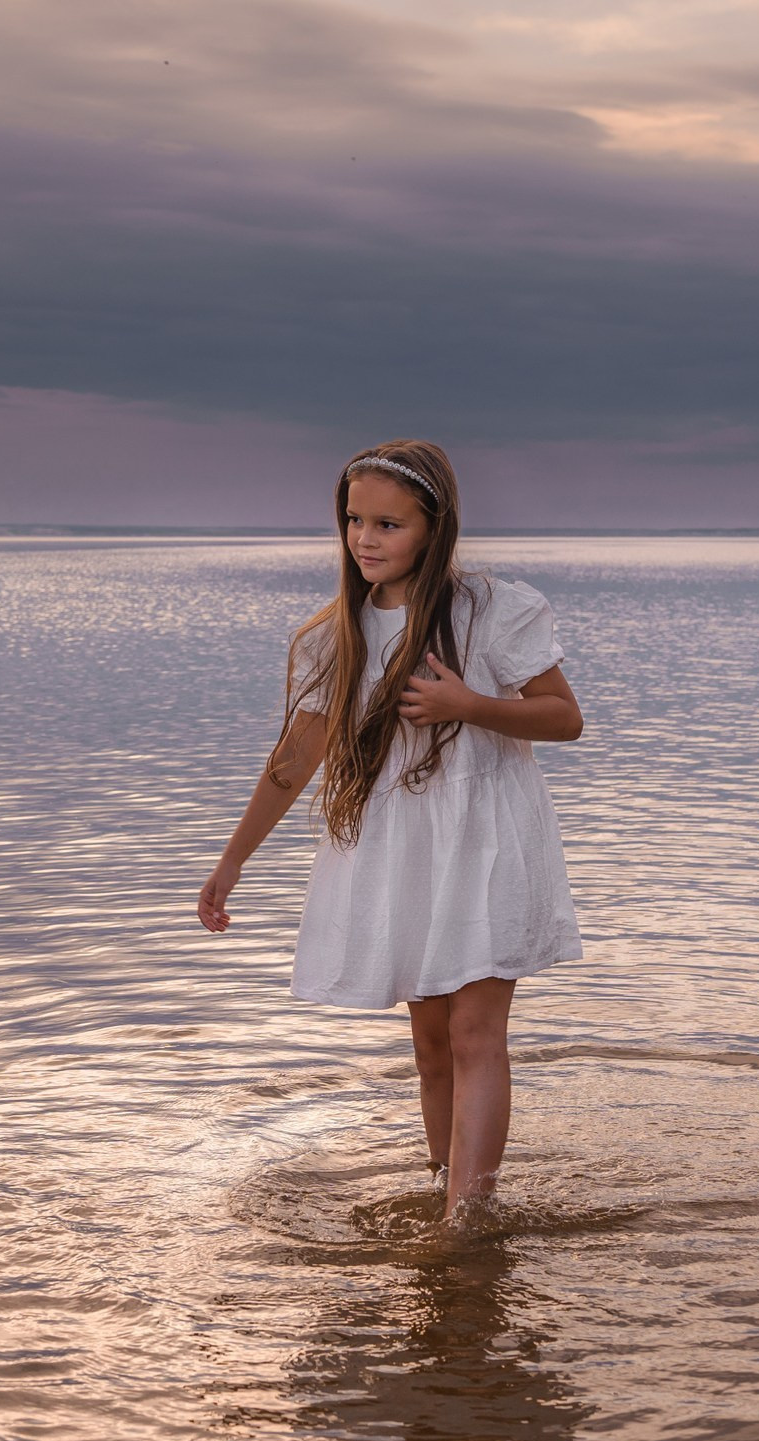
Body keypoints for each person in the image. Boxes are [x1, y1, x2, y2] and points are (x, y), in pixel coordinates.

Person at [198, 439, 584, 1221]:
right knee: (431, 1041)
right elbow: (295, 759)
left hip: (485, 838)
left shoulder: (489, 612)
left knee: (475, 1031)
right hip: (403, 848)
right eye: (354, 520)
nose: (365, 539)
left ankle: (467, 1222)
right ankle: (445, 1184)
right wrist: (232, 861)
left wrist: (469, 705)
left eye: (388, 524)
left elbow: (564, 717)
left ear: (434, 527)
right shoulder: (335, 634)